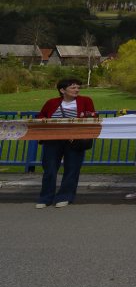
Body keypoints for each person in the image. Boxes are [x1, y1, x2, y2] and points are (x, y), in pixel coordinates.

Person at [35, 78, 96, 209]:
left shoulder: (86, 101)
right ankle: (45, 198)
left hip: (74, 141)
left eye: (78, 87)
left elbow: (91, 119)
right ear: (62, 90)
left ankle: (65, 196)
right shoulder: (51, 102)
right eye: (73, 87)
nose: (77, 90)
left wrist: (77, 133)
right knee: (49, 169)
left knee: (72, 169)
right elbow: (40, 116)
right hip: (52, 140)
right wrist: (43, 120)